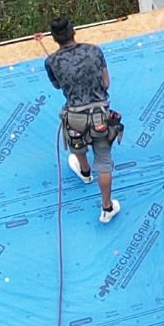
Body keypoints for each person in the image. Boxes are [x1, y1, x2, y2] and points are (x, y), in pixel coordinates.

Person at [43, 17, 122, 223]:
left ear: (54, 38)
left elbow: (58, 86)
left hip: (75, 115)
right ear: (73, 31)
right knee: (104, 161)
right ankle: (106, 208)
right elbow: (106, 82)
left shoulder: (51, 62)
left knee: (77, 143)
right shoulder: (94, 51)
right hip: (100, 115)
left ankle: (85, 172)